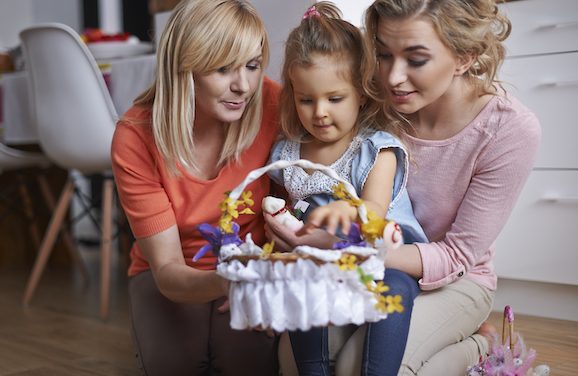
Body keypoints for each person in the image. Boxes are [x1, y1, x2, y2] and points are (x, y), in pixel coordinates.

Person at [274, 0, 541, 375]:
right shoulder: (373, 98)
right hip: (367, 265)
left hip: (454, 278)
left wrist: (348, 247)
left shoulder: (508, 130)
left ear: (465, 56)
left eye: (415, 60)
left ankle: (478, 347)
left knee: (359, 366)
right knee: (292, 360)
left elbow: (457, 256)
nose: (393, 77)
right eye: (383, 53)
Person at [110, 1, 281, 375]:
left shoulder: (273, 104)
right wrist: (225, 281)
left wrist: (261, 277)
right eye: (222, 69)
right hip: (170, 275)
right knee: (179, 365)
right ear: (182, 67)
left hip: (252, 266)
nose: (243, 85)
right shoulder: (135, 136)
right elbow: (168, 270)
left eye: (252, 66)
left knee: (245, 362)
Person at [266, 2, 427, 375]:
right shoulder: (289, 153)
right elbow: (286, 217)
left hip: (383, 261)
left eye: (334, 99)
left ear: (362, 93)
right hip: (323, 264)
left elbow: (374, 212)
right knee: (299, 285)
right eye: (306, 100)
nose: (319, 112)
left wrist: (348, 210)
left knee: (395, 291)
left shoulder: (376, 150)